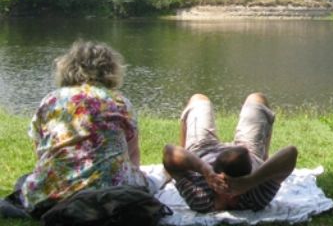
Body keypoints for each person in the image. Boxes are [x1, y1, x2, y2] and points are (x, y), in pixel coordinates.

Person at [18, 40, 149, 216]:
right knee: (149, 180)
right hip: (110, 196)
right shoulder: (120, 102)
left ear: (68, 67)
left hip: (51, 194)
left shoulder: (51, 100)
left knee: (23, 181)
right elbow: (132, 153)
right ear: (111, 69)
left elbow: (40, 151)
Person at [162, 93, 298, 213]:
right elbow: (291, 153)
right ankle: (263, 157)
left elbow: (169, 151)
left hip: (203, 150)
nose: (229, 195)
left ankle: (261, 157)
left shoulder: (201, 199)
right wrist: (252, 180)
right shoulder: (257, 198)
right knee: (256, 98)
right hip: (248, 151)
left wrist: (203, 169)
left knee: (199, 99)